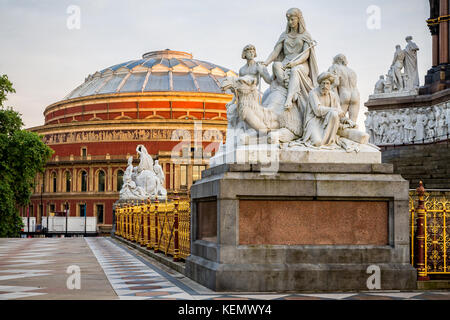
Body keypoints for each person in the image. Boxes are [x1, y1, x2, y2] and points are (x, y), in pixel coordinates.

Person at [261, 7, 319, 140]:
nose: (290, 21)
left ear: (299, 19)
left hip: (300, 65)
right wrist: (266, 63)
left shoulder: (305, 35)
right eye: (288, 19)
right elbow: (276, 53)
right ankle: (285, 84)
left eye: (293, 19)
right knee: (276, 65)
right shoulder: (284, 35)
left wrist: (294, 63)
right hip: (286, 62)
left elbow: (306, 54)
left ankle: (289, 98)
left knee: (295, 71)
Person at [328, 54, 360, 122]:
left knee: (339, 121)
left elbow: (335, 83)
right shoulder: (352, 71)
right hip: (355, 94)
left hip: (344, 94)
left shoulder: (335, 67)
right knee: (353, 123)